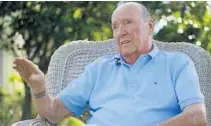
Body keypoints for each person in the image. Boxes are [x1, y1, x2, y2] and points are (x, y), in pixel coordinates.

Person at [13, 2, 206, 126]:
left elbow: (197, 116)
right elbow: (52, 113)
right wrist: (38, 87)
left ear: (149, 26)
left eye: (128, 22)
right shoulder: (99, 69)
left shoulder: (178, 63)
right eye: (115, 26)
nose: (120, 31)